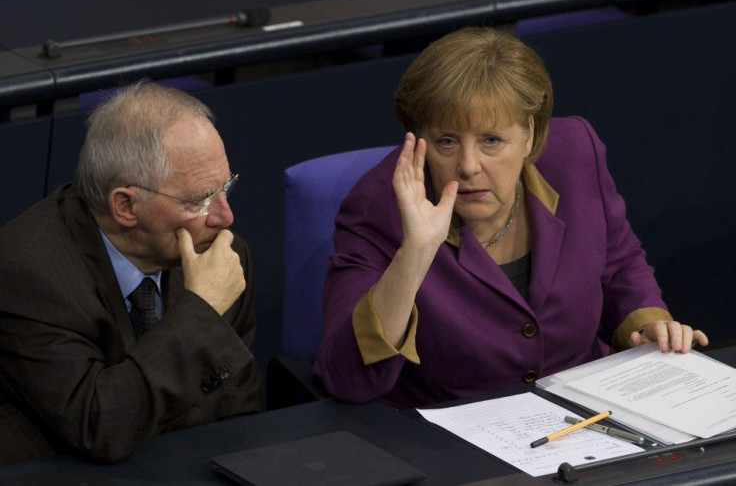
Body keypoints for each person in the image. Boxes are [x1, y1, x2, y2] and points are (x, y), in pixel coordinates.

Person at [313, 27, 708, 409]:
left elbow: (619, 263)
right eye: (446, 141)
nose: (468, 166)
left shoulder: (574, 154)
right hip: (452, 443)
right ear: (418, 140)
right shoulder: (378, 207)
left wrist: (650, 325)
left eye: (491, 140)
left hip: (584, 416)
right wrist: (415, 252)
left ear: (530, 135)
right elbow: (347, 380)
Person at [0, 81, 261, 465]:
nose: (225, 217)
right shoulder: (26, 276)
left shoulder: (220, 255)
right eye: (199, 200)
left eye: (225, 188)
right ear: (125, 206)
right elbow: (99, 426)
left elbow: (235, 408)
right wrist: (201, 311)